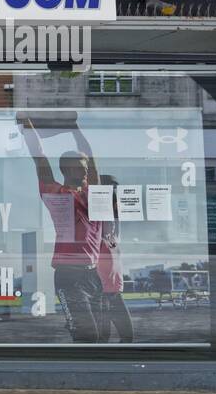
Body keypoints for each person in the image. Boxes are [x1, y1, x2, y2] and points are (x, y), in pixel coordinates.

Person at [18, 113, 104, 342]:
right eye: (79, 168)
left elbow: (91, 156)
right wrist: (27, 124)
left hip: (93, 275)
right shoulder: (55, 193)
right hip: (69, 276)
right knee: (88, 336)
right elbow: (39, 158)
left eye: (86, 168)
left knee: (101, 337)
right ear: (66, 171)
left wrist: (74, 127)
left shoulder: (93, 194)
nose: (85, 172)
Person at [96, 174, 133, 342]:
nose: (115, 194)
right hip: (100, 293)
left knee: (127, 337)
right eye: (111, 190)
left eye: (116, 190)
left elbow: (116, 215)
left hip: (115, 292)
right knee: (102, 340)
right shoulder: (95, 221)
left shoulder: (114, 230)